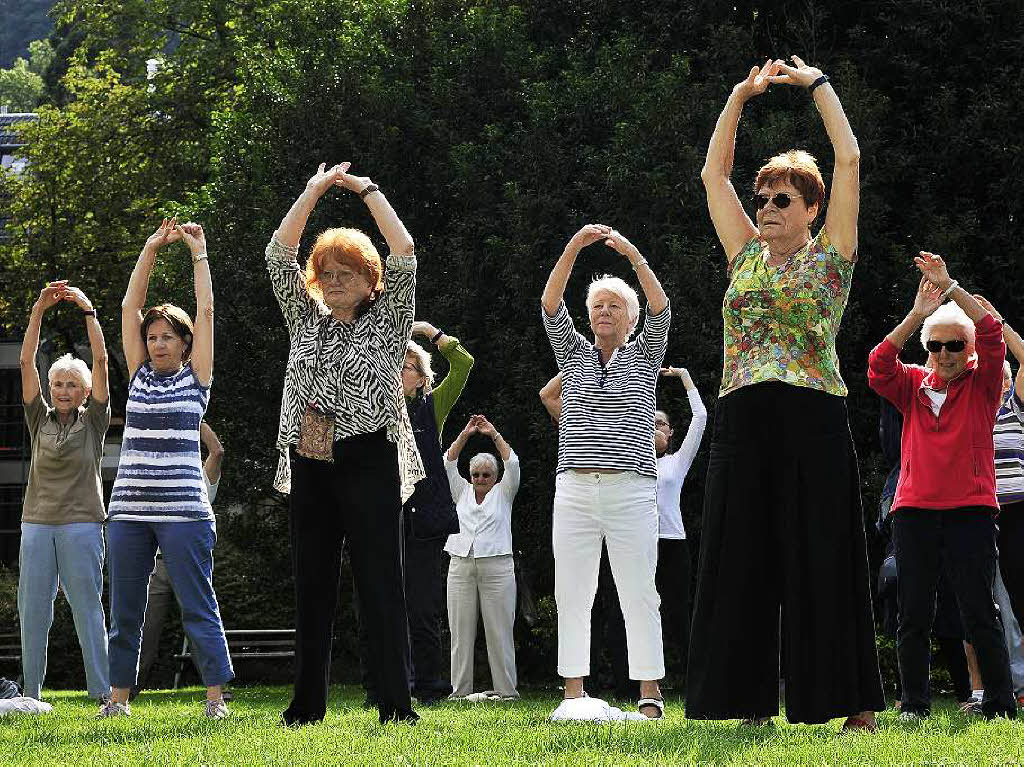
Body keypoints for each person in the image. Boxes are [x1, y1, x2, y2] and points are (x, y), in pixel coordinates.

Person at [687, 56, 883, 730]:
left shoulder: (831, 256)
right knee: (741, 556)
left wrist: (821, 87)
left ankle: (851, 703)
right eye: (763, 196)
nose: (765, 207)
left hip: (811, 414)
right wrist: (738, 97)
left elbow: (850, 158)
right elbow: (713, 174)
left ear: (812, 209)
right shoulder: (743, 254)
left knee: (822, 554)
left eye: (780, 199)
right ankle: (748, 704)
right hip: (741, 413)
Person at [266, 161, 422, 725]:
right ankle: (306, 705)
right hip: (311, 457)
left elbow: (403, 250)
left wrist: (366, 191)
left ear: (368, 280)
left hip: (370, 457)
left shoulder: (391, 319)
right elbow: (278, 253)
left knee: (382, 582)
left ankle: (394, 704)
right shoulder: (304, 318)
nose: (333, 281)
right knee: (312, 584)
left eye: (346, 273)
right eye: (326, 272)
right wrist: (312, 190)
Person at [868, 257, 1015, 720]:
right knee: (913, 614)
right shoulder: (911, 383)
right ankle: (914, 704)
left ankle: (999, 703)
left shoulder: (984, 382)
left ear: (967, 350)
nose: (946, 352)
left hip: (970, 509)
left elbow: (992, 333)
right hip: (913, 510)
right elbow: (877, 365)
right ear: (927, 347)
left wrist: (951, 288)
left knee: (979, 610)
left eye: (955, 344)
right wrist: (916, 314)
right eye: (936, 345)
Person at [100, 218, 233, 720]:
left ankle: (215, 700)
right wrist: (151, 247)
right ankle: (117, 701)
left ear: (184, 343)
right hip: (130, 512)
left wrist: (198, 252)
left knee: (198, 608)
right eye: (151, 336)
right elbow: (128, 307)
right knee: (126, 612)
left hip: (184, 513)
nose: (156, 343)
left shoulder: (197, 379)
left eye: (167, 337)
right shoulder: (135, 375)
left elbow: (207, 308)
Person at [541, 222, 670, 719]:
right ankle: (573, 693)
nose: (604, 312)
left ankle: (650, 693)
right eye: (597, 306)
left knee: (639, 589)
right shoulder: (572, 353)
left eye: (614, 305)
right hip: (574, 488)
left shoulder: (646, 351)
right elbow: (551, 305)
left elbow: (661, 308)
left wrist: (634, 256)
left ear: (629, 317)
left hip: (631, 490)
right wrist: (573, 247)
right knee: (573, 589)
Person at [357, 321, 474, 707]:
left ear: (422, 379)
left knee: (421, 606)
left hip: (423, 518)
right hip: (380, 516)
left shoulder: (433, 407)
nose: (397, 370)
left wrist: (430, 332)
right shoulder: (371, 408)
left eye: (405, 366)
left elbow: (463, 363)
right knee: (379, 602)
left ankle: (428, 685)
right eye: (393, 364)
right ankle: (383, 687)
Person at [18, 282, 110, 702]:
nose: (63, 390)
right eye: (58, 384)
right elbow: (25, 361)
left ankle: (102, 695)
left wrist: (88, 312)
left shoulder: (94, 421)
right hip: (37, 523)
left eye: (72, 384)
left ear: (85, 391)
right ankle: (31, 695)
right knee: (33, 613)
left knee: (87, 609)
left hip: (82, 524)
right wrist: (39, 309)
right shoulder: (39, 418)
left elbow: (103, 359)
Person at [132, 421, 225, 699]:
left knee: (200, 620)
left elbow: (217, 451)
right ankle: (126, 691)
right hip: (155, 564)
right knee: (143, 628)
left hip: (189, 561)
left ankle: (218, 689)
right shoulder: (155, 471)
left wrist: (193, 420)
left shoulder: (200, 474)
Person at [444, 415, 521, 700]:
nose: (480, 479)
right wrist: (465, 435)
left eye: (486, 475)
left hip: (497, 566)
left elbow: (512, 462)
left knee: (500, 631)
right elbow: (448, 462)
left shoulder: (504, 492)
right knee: (460, 633)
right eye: (476, 474)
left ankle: (506, 691)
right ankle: (459, 692)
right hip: (460, 565)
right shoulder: (461, 491)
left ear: (495, 477)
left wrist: (493, 435)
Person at [653, 366, 707, 683]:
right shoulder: (633, 458)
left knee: (678, 614)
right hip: (641, 544)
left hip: (673, 543)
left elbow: (700, 419)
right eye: (651, 423)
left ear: (671, 432)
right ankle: (646, 681)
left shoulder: (677, 461)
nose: (656, 428)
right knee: (644, 614)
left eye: (662, 424)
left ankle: (694, 682)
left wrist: (686, 377)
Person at [981, 296, 1024, 624]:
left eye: (1008, 379)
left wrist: (998, 323)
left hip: (1018, 511)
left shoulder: (1015, 410)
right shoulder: (969, 409)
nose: (1003, 383)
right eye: (998, 377)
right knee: (982, 603)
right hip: (977, 511)